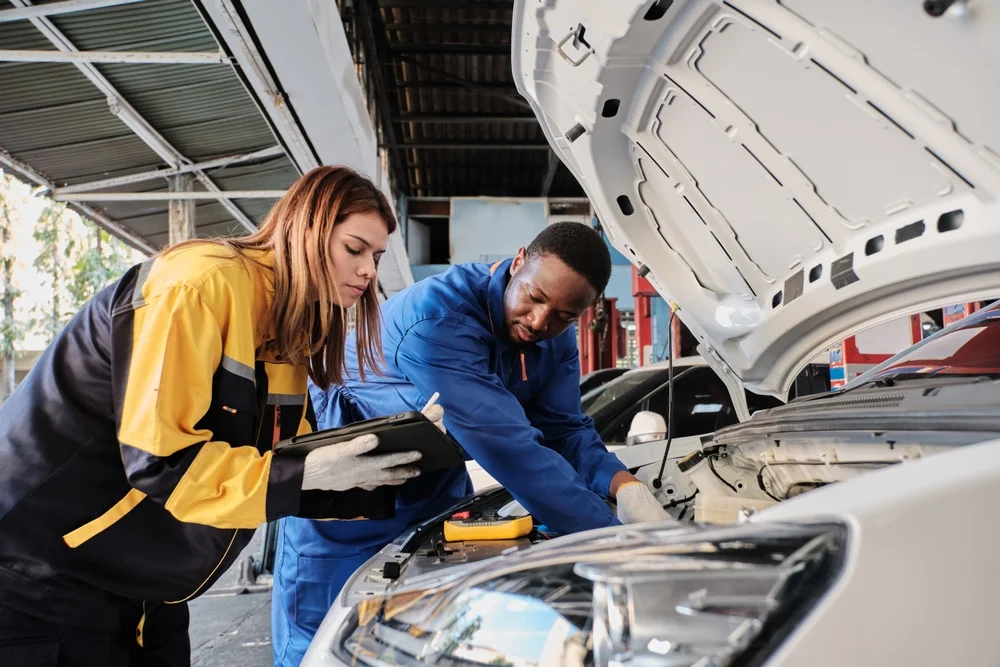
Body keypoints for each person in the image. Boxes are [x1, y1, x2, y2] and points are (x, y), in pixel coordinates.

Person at [0, 166, 437, 667]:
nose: (368, 272)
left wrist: (401, 466)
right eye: (354, 249)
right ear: (305, 230)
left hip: (144, 584)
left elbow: (281, 464)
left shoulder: (288, 330)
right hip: (40, 577)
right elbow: (162, 462)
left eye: (376, 258)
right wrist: (304, 472)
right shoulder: (198, 285)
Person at [272, 221, 672, 665]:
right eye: (535, 298)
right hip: (345, 502)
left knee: (427, 643)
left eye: (564, 316)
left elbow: (565, 430)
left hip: (435, 490)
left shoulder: (553, 339)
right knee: (322, 647)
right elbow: (511, 450)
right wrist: (620, 547)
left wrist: (623, 487)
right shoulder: (437, 320)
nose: (540, 322)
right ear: (518, 261)